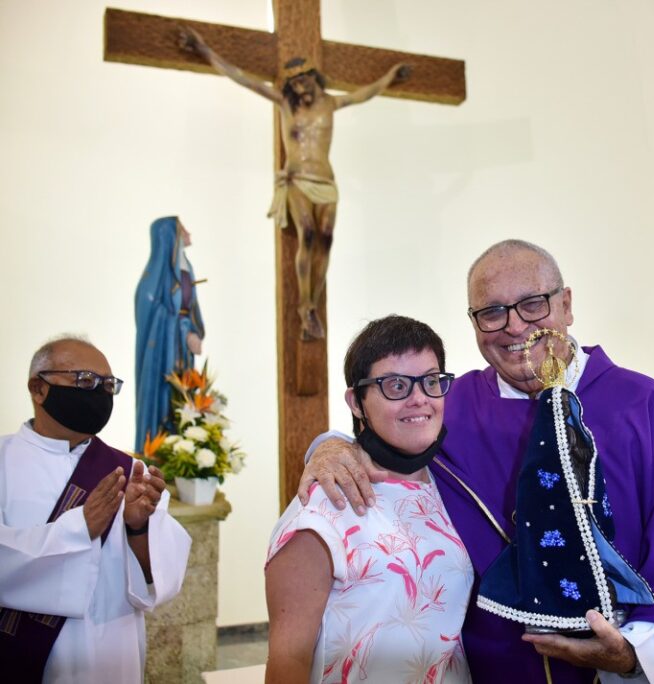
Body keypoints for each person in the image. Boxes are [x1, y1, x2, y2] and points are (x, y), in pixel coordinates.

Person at [299, 240, 654, 683]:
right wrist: (331, 443)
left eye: (533, 304)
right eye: (492, 312)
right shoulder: (453, 409)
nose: (515, 327)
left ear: (566, 305)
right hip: (496, 669)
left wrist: (632, 652)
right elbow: (385, 432)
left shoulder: (643, 407)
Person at [265, 316, 472, 682]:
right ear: (356, 402)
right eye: (396, 385)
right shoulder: (324, 509)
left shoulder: (448, 481)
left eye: (430, 381)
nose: (419, 399)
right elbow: (288, 662)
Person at [179, 27, 409, 341]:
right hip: (298, 179)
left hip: (326, 181)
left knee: (326, 239)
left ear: (314, 77)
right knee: (308, 234)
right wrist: (204, 49)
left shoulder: (330, 103)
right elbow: (243, 78)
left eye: (303, 80)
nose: (299, 87)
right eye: (294, 83)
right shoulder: (286, 105)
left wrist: (390, 76)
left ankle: (314, 299)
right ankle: (305, 306)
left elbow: (365, 93)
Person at [0, 336, 191, 682]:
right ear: (38, 389)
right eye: (85, 381)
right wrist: (80, 528)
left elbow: (158, 581)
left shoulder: (131, 473)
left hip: (111, 654)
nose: (99, 393)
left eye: (107, 385)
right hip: (21, 654)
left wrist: (137, 528)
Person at [135, 216, 205, 454]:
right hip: (163, 350)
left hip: (182, 350)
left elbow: (189, 307)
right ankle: (158, 449)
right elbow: (151, 310)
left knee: (184, 394)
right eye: (182, 229)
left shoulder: (186, 267)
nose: (188, 233)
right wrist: (182, 330)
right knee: (163, 395)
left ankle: (182, 448)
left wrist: (192, 331)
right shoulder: (155, 278)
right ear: (170, 237)